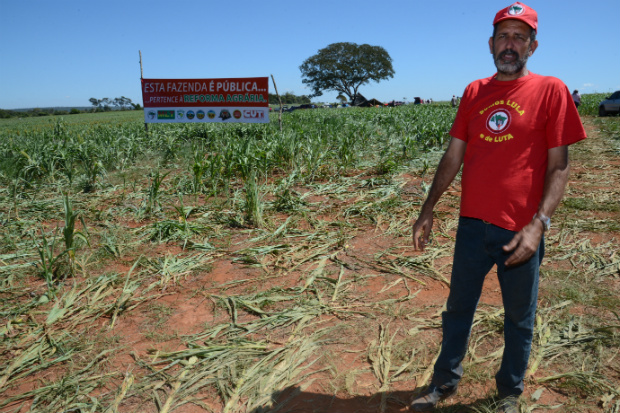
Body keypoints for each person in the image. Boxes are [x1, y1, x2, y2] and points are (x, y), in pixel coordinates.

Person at [409, 3, 586, 413]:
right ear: (491, 44)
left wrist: (539, 224)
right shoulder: (474, 92)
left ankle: (509, 392)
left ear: (533, 46)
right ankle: (444, 383)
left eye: (519, 37)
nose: (510, 45)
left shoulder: (551, 90)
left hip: (520, 230)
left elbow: (559, 165)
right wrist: (428, 207)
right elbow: (454, 155)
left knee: (519, 319)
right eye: (503, 36)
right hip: (472, 226)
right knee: (457, 310)